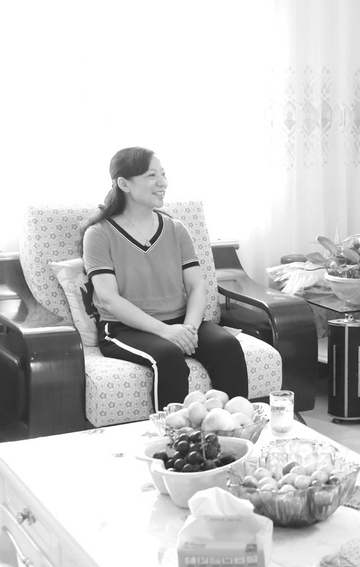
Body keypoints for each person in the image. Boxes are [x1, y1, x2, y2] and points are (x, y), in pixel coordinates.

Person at [82, 146, 248, 410]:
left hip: (180, 320)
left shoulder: (176, 229)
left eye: (163, 174)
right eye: (151, 175)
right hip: (123, 328)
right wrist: (166, 332)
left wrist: (189, 329)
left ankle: (233, 426)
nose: (162, 183)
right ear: (124, 184)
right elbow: (109, 299)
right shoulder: (99, 234)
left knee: (227, 346)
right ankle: (172, 433)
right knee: (168, 355)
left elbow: (196, 287)